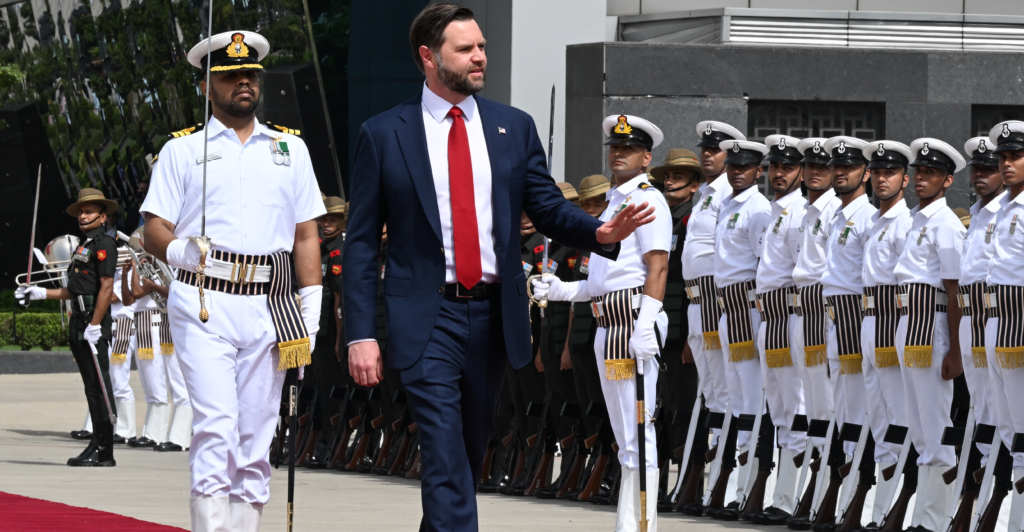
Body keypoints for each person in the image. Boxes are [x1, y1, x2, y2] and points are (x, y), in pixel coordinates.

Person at [342, 5, 653, 531]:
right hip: (427, 316)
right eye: (466, 49)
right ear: (428, 57)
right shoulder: (384, 133)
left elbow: (547, 206)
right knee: (441, 450)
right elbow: (362, 243)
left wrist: (597, 233)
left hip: (492, 318)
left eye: (482, 46)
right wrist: (358, 334)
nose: (480, 57)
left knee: (467, 449)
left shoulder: (513, 127)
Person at [140, 29, 325, 530]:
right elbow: (153, 226)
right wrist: (179, 251)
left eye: (250, 74)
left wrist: (312, 306)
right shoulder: (181, 151)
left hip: (272, 304)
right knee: (217, 426)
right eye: (229, 75)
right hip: (204, 300)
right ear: (206, 87)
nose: (243, 82)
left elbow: (306, 233)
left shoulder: (290, 149)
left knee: (257, 433)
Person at [533, 113, 671, 531]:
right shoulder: (612, 202)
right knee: (625, 437)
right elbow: (599, 283)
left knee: (639, 436)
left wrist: (647, 322)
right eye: (615, 147)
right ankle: (627, 524)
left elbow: (658, 267)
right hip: (606, 323)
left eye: (628, 149)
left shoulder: (647, 199)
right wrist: (559, 289)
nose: (619, 154)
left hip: (632, 323)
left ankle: (640, 525)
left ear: (647, 157)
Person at [795, 136, 876, 531]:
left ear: (866, 172)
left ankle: (860, 497)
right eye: (835, 165)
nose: (840, 172)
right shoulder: (840, 215)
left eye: (849, 166)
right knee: (841, 409)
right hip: (832, 318)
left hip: (856, 318)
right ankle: (841, 498)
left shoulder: (867, 218)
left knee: (857, 410)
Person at [16, 188, 119, 467]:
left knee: (99, 386)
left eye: (89, 211)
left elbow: (107, 288)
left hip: (91, 322)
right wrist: (39, 292)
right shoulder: (83, 246)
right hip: (79, 320)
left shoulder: (105, 244)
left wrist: (96, 325)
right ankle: (96, 443)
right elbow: (74, 290)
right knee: (90, 386)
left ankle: (104, 449)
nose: (83, 216)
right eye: (81, 212)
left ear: (103, 215)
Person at [893, 138, 966, 532]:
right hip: (909, 326)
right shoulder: (915, 220)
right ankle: (924, 516)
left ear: (948, 180)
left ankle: (938, 520)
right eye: (919, 172)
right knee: (918, 428)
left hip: (933, 329)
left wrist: (955, 350)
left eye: (931, 174)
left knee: (936, 426)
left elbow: (954, 291)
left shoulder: (946, 224)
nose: (922, 179)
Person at [678, 121, 746, 516]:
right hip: (696, 302)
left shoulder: (728, 196)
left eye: (716, 149)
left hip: (717, 300)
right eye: (704, 147)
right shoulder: (705, 193)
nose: (708, 153)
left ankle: (727, 481)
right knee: (711, 392)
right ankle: (711, 481)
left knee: (725, 393)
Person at [707, 138, 771, 519]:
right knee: (732, 397)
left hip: (748, 307)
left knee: (750, 400)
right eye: (732, 166)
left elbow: (764, 264)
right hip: (726, 307)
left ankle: (747, 490)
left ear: (758, 172)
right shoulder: (727, 204)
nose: (736, 172)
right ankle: (733, 488)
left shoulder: (758, 209)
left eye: (744, 167)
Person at [947, 136, 1006, 529]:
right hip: (973, 321)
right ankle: (978, 488)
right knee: (981, 410)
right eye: (978, 170)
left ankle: (997, 498)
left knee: (1004, 412)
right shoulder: (978, 214)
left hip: (999, 319)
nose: (981, 176)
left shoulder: (1008, 212)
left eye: (990, 169)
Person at [749, 134, 808, 522]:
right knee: (780, 408)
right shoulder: (772, 212)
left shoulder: (800, 213)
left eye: (787, 167)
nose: (779, 173)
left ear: (801, 171)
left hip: (789, 315)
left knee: (796, 407)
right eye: (774, 167)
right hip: (768, 316)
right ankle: (781, 496)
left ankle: (793, 498)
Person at [784, 137, 841, 527]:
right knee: (813, 401)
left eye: (824, 167)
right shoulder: (806, 211)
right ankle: (815, 490)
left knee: (826, 402)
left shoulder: (834, 209)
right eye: (811, 166)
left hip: (824, 304)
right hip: (803, 303)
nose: (816, 172)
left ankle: (827, 490)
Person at [858, 139, 913, 530]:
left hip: (892, 319)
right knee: (877, 412)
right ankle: (881, 507)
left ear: (904, 180)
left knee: (896, 412)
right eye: (876, 172)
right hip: (868, 317)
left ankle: (898, 505)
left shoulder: (905, 223)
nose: (882, 179)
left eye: (889, 173)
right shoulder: (874, 221)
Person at [647, 149, 701, 510]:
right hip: (660, 326)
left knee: (683, 408)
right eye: (667, 174)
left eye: (680, 175)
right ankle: (665, 485)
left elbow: (693, 285)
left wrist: (690, 337)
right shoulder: (663, 218)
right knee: (662, 410)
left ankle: (689, 484)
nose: (670, 180)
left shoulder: (693, 219)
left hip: (682, 329)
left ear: (695, 185)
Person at [983, 120, 1024, 532]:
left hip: (1021, 324)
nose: (1007, 164)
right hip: (998, 320)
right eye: (1004, 157)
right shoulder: (1005, 208)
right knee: (1008, 424)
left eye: (1015, 157)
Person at [304, 196, 348, 468]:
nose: (326, 224)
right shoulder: (318, 249)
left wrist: (340, 339)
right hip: (315, 332)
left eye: (332, 219)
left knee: (333, 391)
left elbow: (339, 300)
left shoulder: (339, 251)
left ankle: (334, 444)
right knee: (318, 389)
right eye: (323, 219)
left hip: (331, 331)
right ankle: (322, 442)